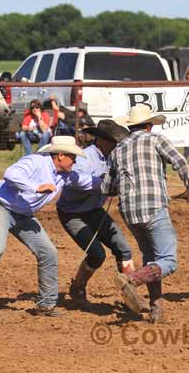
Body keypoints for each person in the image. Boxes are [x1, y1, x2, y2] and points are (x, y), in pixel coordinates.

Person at [0, 136, 90, 316]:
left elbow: (87, 182)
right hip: (1, 207)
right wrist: (36, 187)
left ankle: (47, 305)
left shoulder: (65, 175)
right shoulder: (36, 161)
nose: (74, 162)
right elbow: (11, 175)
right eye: (72, 157)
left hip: (24, 215)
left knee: (48, 252)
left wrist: (110, 185)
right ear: (60, 156)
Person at [102, 105, 189, 323]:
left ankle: (157, 309)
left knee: (151, 258)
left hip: (129, 212)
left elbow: (107, 187)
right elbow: (180, 162)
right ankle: (132, 279)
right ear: (148, 126)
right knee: (168, 261)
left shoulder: (118, 150)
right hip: (153, 208)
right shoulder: (156, 140)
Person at [56, 120, 134, 307]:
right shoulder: (84, 157)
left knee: (123, 248)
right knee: (97, 254)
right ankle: (78, 287)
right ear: (101, 140)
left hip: (94, 210)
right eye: (113, 140)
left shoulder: (112, 157)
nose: (116, 144)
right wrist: (105, 185)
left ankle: (132, 292)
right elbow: (75, 181)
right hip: (72, 212)